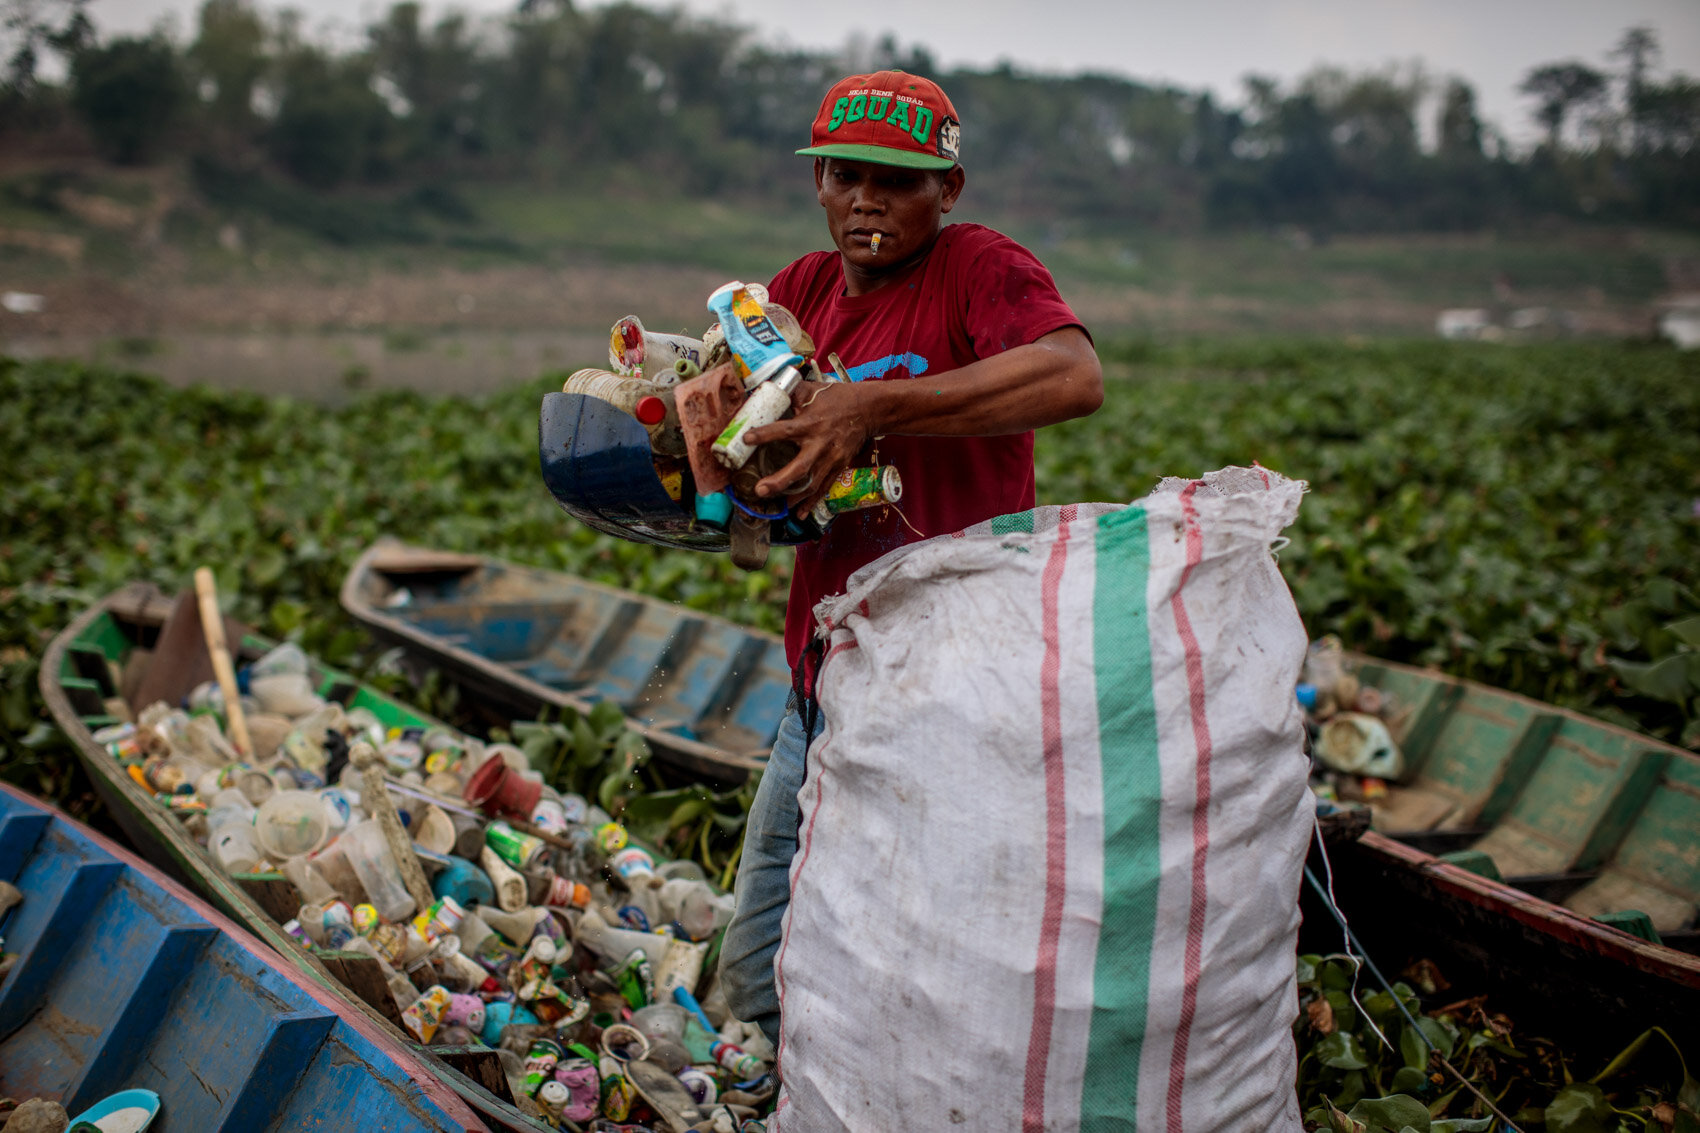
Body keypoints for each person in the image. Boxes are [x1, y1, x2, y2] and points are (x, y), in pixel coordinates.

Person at [718, 69, 1103, 1047]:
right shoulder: (798, 290)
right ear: (819, 182)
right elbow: (746, 419)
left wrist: (873, 407)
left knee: (913, 954)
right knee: (760, 959)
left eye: (897, 181)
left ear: (948, 190)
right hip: (828, 668)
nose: (867, 200)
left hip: (951, 680)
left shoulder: (978, 268)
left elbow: (1072, 375)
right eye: (847, 175)